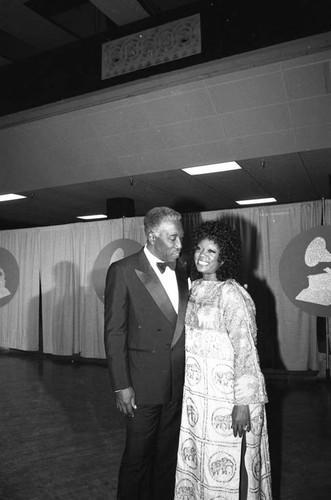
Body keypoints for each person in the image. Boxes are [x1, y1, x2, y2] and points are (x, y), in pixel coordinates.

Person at [175, 220, 272, 500]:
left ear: (224, 258)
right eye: (200, 249)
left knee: (232, 466)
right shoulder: (191, 290)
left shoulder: (232, 294)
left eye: (211, 252)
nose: (202, 256)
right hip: (198, 398)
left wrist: (242, 404)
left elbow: (246, 352)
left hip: (229, 398)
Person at [104, 206, 189, 500]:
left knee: (167, 457)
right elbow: (114, 333)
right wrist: (121, 385)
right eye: (173, 238)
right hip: (141, 385)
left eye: (180, 238)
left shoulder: (184, 269)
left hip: (177, 383)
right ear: (152, 235)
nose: (179, 245)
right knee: (137, 458)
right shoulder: (123, 270)